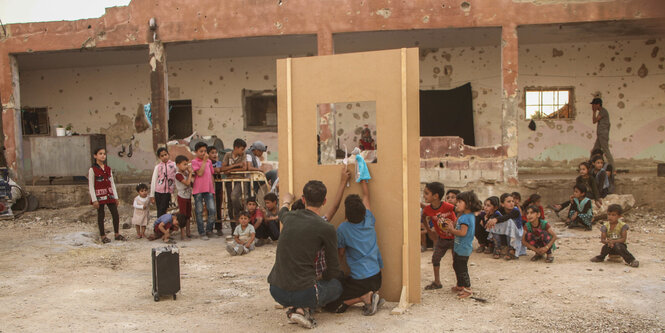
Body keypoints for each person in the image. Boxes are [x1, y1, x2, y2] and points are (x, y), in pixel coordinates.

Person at [268, 181, 342, 329]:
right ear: (324, 201)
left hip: (276, 291)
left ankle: (298, 309)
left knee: (303, 286)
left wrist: (286, 200)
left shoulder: (289, 218)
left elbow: (282, 211)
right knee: (337, 285)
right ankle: (304, 308)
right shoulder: (326, 228)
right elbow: (333, 269)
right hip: (305, 293)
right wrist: (319, 277)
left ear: (303, 199)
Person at [325, 179, 384, 316]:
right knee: (346, 282)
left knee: (331, 305)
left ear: (346, 214)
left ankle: (363, 297)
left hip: (361, 281)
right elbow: (366, 196)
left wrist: (333, 271)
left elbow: (340, 254)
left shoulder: (343, 229)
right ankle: (373, 294)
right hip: (377, 277)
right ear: (363, 212)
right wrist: (363, 180)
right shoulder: (369, 218)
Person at [444, 191, 480, 299]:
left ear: (468, 203)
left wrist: (451, 230)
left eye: (459, 202)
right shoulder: (467, 216)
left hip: (463, 248)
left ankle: (468, 289)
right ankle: (460, 285)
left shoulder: (465, 218)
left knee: (462, 268)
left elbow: (462, 233)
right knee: (456, 265)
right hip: (460, 247)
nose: (457, 204)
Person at [422, 182, 457, 290]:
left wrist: (455, 226)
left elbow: (459, 212)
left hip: (456, 238)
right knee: (435, 259)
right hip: (442, 239)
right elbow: (424, 217)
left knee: (457, 262)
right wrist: (429, 230)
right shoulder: (427, 209)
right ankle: (437, 282)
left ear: (436, 196)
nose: (424, 195)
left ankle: (460, 283)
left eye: (426, 193)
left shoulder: (448, 206)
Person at [88, 147, 124, 244]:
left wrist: (115, 197)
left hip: (109, 195)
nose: (103, 155)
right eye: (100, 153)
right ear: (95, 156)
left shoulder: (108, 169)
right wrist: (94, 199)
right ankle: (103, 236)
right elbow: (91, 185)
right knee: (101, 215)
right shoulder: (93, 169)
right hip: (99, 196)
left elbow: (112, 183)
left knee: (115, 214)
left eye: (104, 153)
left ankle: (117, 234)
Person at [485, 193, 523, 260]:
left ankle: (511, 249)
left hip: (516, 234)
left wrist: (495, 219)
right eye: (509, 201)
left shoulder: (515, 211)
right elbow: (494, 217)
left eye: (512, 201)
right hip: (504, 235)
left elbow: (507, 217)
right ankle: (497, 247)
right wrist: (490, 220)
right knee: (494, 223)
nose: (511, 203)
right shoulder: (499, 210)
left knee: (509, 221)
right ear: (502, 204)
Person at [191, 142, 216, 240]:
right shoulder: (194, 162)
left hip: (209, 189)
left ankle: (209, 229)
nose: (203, 153)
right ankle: (202, 232)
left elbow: (211, 174)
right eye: (201, 151)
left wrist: (212, 188)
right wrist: (205, 161)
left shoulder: (209, 162)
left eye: (205, 151)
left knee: (212, 209)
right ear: (196, 152)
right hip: (198, 190)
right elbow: (200, 173)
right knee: (199, 211)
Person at [221, 138, 248, 230]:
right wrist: (235, 166)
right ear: (236, 148)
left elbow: (244, 168)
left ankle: (239, 212)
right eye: (241, 149)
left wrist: (229, 170)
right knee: (230, 204)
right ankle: (234, 227)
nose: (243, 151)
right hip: (229, 181)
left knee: (234, 196)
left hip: (240, 180)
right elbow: (223, 169)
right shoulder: (228, 155)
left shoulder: (243, 155)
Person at [149, 147, 177, 218]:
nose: (164, 157)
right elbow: (154, 180)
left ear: (168, 154)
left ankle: (160, 226)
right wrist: (152, 195)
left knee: (163, 210)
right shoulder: (158, 167)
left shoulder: (174, 165)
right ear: (159, 157)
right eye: (162, 156)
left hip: (168, 192)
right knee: (160, 210)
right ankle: (160, 226)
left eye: (165, 154)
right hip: (158, 192)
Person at [591, 97, 614, 168]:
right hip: (600, 134)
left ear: (598, 105)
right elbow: (594, 121)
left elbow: (594, 121)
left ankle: (612, 169)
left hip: (603, 134)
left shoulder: (603, 111)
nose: (592, 106)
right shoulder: (601, 112)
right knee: (594, 150)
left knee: (606, 151)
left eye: (594, 104)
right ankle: (591, 166)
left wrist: (594, 112)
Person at [174, 155, 193, 240]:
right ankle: (182, 233)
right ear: (178, 165)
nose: (186, 166)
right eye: (184, 164)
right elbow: (187, 183)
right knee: (182, 215)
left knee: (188, 215)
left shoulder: (185, 173)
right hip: (182, 196)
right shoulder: (178, 175)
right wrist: (190, 173)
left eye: (187, 164)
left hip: (188, 196)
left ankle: (188, 231)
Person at [208, 145, 224, 236]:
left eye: (215, 153)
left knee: (218, 207)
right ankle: (209, 227)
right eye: (212, 153)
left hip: (218, 187)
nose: (214, 154)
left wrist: (216, 163)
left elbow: (218, 169)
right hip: (209, 187)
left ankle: (219, 227)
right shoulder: (206, 163)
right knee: (210, 208)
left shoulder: (217, 162)